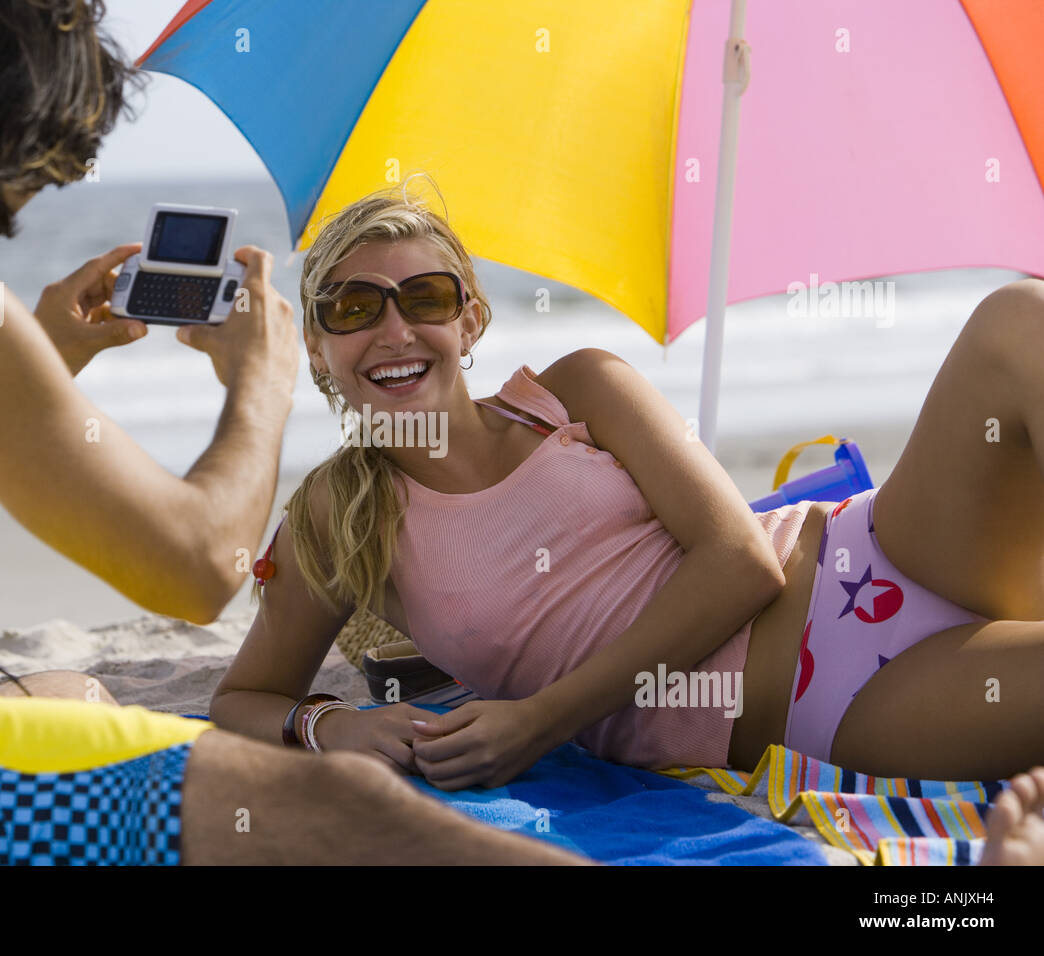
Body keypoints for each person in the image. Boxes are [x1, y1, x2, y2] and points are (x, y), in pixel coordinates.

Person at [0, 0, 602, 867]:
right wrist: (259, 383)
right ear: (15, 131)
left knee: (76, 691)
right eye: (63, 161)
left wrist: (40, 355)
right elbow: (197, 573)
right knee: (349, 809)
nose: (62, 186)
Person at [211, 182, 1044, 805]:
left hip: (873, 549)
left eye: (424, 298)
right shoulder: (334, 520)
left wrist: (541, 720)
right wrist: (332, 725)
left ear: (469, 321)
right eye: (354, 308)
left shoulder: (580, 389)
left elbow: (743, 561)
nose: (394, 332)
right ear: (317, 347)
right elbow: (243, 700)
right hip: (826, 700)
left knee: (1016, 317)